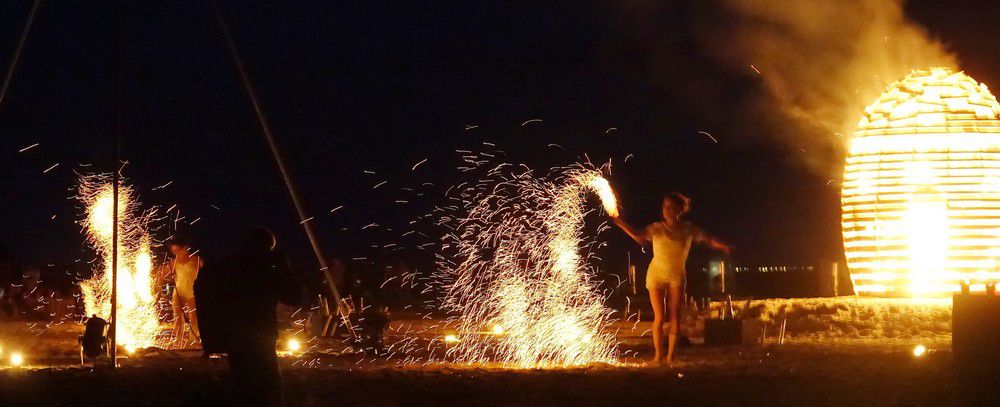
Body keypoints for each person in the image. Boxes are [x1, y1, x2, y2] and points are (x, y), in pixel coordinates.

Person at [612, 192, 730, 366]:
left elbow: (708, 239)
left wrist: (723, 246)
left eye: (670, 207)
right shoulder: (656, 228)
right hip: (656, 275)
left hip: (676, 276)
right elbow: (639, 236)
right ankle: (658, 356)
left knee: (675, 316)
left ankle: (670, 357)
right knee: (659, 317)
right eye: (664, 207)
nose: (666, 210)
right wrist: (620, 222)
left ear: (679, 210)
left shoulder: (688, 229)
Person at [195, 228, 304, 406]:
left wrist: (211, 335)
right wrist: (286, 268)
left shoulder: (228, 270)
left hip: (236, 338)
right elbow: (295, 298)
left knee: (243, 386)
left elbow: (203, 284)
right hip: (261, 340)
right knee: (268, 388)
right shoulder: (266, 274)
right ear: (267, 250)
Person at [161, 235, 202, 345]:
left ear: (185, 248)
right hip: (179, 292)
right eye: (174, 251)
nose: (176, 254)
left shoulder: (196, 260)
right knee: (178, 317)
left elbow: (204, 275)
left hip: (192, 292)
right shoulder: (173, 262)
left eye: (178, 251)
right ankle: (178, 339)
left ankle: (192, 339)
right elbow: (162, 274)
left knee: (193, 317)